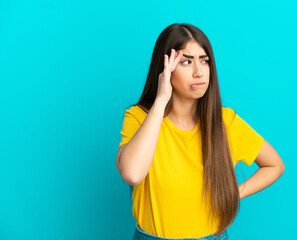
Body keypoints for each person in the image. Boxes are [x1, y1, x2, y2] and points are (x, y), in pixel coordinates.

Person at [116, 23, 285, 240]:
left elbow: (275, 165)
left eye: (204, 61)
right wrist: (160, 100)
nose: (198, 72)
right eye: (186, 62)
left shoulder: (226, 122)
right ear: (165, 69)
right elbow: (132, 173)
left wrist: (231, 194)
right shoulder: (139, 117)